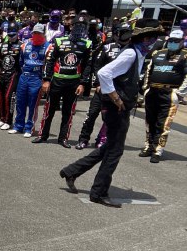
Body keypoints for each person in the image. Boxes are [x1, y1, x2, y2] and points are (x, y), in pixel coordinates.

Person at [60, 19, 164, 208]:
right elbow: (104, 73)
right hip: (116, 108)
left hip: (119, 108)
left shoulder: (138, 54)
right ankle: (98, 192)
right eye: (154, 38)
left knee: (109, 147)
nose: (156, 41)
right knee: (115, 151)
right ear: (145, 38)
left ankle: (71, 171)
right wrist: (116, 98)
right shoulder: (131, 54)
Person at [34, 15, 92, 148]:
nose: (79, 29)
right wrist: (47, 80)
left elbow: (88, 66)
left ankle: (63, 138)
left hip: (74, 83)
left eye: (82, 27)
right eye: (77, 26)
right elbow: (50, 61)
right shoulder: (59, 41)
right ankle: (43, 135)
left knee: (68, 112)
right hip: (57, 81)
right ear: (71, 26)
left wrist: (83, 83)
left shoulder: (87, 44)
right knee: (49, 110)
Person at [76, 23, 131, 149]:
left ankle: (101, 140)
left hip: (118, 91)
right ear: (116, 33)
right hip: (102, 89)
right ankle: (83, 139)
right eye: (122, 32)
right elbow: (96, 66)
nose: (124, 35)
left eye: (127, 32)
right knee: (91, 115)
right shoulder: (107, 48)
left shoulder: (131, 51)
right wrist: (98, 84)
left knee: (108, 118)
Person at [138, 29, 187, 163]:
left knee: (163, 124)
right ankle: (148, 146)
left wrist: (179, 93)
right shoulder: (158, 53)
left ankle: (157, 150)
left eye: (176, 41)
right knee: (150, 121)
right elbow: (149, 70)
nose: (173, 43)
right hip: (153, 91)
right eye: (171, 40)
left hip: (170, 94)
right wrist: (145, 88)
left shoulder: (185, 55)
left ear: (182, 41)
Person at [9, 24, 47, 137]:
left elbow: (48, 65)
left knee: (32, 104)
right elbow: (20, 61)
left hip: (36, 78)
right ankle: (18, 126)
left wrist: (44, 80)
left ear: (43, 34)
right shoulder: (25, 45)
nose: (36, 35)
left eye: (39, 33)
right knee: (20, 102)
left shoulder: (48, 46)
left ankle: (29, 128)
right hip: (24, 76)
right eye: (35, 33)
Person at [0, 21, 21, 130]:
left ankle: (9, 121)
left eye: (13, 35)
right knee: (0, 96)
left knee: (8, 97)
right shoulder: (3, 44)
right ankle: (2, 118)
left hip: (13, 74)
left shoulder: (21, 45)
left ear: (17, 33)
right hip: (2, 73)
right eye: (9, 35)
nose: (11, 37)